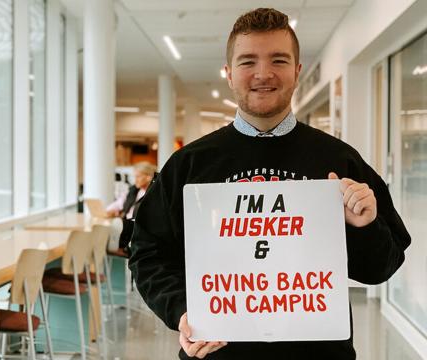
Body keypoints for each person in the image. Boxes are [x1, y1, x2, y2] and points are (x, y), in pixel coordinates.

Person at [129, 8, 411, 360]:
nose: (263, 73)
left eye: (278, 60)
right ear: (229, 74)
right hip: (217, 352)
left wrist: (365, 226)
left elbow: (380, 269)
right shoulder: (188, 165)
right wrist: (183, 313)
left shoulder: (340, 161)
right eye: (247, 62)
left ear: (296, 72)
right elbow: (148, 254)